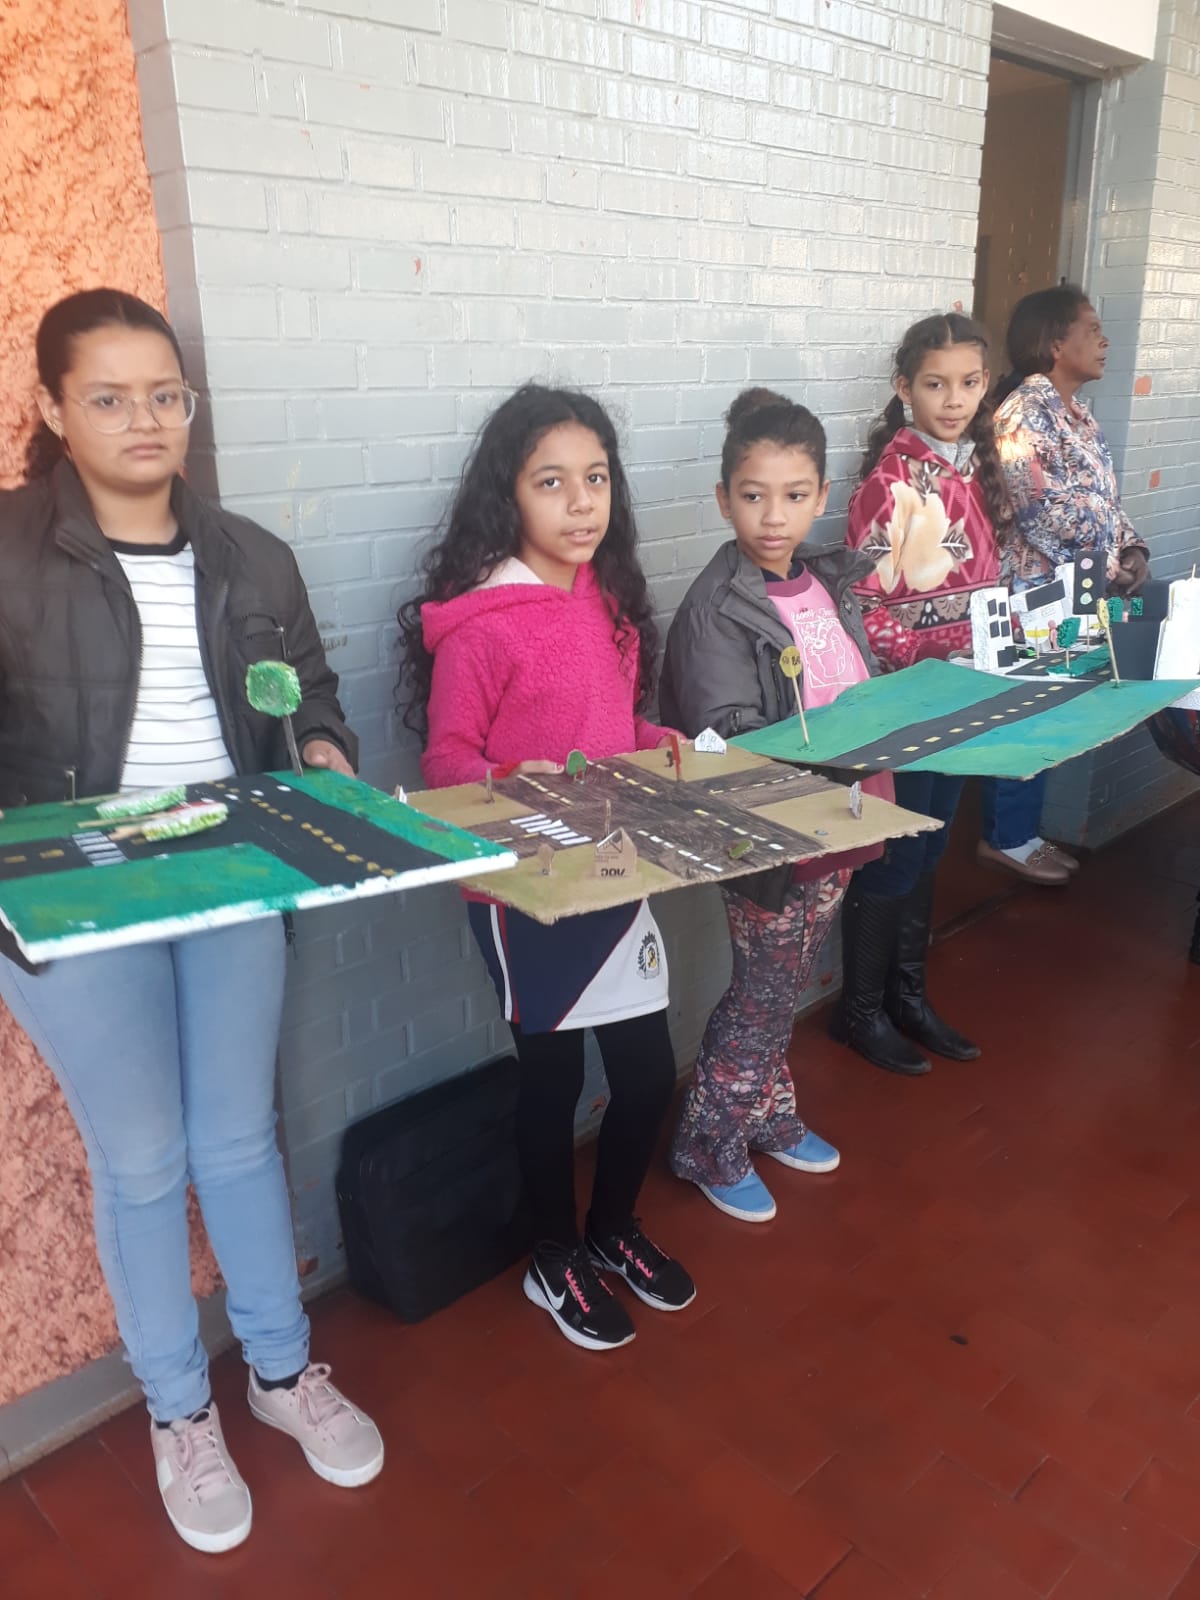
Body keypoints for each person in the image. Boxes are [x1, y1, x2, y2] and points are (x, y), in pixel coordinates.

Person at [0, 291, 383, 1555]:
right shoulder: (7, 549)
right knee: (144, 1161)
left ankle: (281, 1371)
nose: (144, 419)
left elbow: (308, 696)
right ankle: (179, 1411)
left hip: (230, 875)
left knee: (236, 1140)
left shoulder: (250, 556)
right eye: (108, 397)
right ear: (54, 408)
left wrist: (321, 752)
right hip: (78, 898)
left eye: (165, 393)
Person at [401, 383, 695, 1351]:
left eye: (596, 479)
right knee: (552, 1082)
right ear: (509, 495)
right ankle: (552, 1256)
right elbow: (447, 761)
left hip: (613, 869)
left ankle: (612, 1229)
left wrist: (658, 741)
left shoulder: (607, 600)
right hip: (525, 888)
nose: (580, 503)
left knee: (646, 1076)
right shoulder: (480, 624)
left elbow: (609, 728)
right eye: (552, 482)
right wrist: (511, 783)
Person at [658, 389, 883, 1221]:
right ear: (724, 499)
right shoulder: (717, 608)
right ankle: (708, 1142)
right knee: (760, 993)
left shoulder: (822, 580)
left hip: (846, 813)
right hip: (776, 832)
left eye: (793, 495)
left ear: (820, 495)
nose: (774, 516)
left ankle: (768, 1115)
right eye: (754, 496)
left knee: (783, 986)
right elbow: (727, 737)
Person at [836, 311, 1011, 1074]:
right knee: (896, 857)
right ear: (904, 388)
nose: (954, 399)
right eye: (936, 384)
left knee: (932, 845)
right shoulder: (889, 484)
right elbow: (862, 604)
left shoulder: (972, 468)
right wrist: (931, 661)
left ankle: (906, 998)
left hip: (962, 696)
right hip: (910, 702)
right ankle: (860, 1012)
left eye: (968, 383)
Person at [981, 286, 1150, 886]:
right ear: (1056, 343)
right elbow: (1039, 509)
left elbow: (1105, 501)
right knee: (1025, 713)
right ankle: (1006, 838)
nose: (1104, 341)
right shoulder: (1024, 413)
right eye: (1091, 329)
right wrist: (1108, 561)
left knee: (1050, 711)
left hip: (1073, 592)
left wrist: (1132, 548)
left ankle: (1022, 832)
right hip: (1032, 594)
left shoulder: (1079, 415)